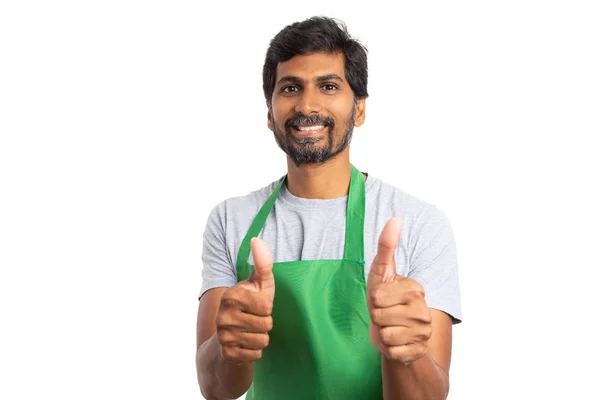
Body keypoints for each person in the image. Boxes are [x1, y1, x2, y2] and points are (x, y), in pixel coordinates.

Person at [195, 16, 462, 400]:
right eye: (290, 88)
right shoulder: (230, 219)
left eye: (329, 86)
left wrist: (405, 354)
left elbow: (428, 396)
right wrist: (229, 347)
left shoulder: (417, 223)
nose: (307, 104)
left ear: (359, 109)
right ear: (270, 113)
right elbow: (213, 388)